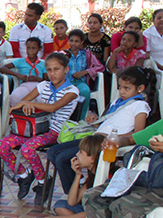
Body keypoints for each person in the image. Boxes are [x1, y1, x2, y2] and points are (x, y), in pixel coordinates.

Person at [47, 66, 150, 197]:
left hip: (104, 143)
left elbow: (138, 133)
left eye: (127, 88)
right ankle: (81, 184)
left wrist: (113, 137)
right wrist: (94, 120)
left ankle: (73, 195)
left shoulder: (140, 105)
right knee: (52, 152)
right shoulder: (117, 102)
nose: (122, 91)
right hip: (95, 137)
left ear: (140, 89)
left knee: (62, 158)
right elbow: (106, 122)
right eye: (120, 87)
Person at [0, 52, 79, 200]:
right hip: (32, 129)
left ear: (66, 69)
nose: (52, 73)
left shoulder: (72, 91)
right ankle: (24, 176)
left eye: (57, 69)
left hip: (53, 132)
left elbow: (53, 107)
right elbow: (21, 103)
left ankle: (43, 181)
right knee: (1, 145)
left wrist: (30, 104)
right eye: (49, 69)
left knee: (27, 149)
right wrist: (25, 105)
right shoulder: (43, 85)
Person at [38, 134, 102, 218]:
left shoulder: (104, 178)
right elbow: (72, 202)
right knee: (60, 205)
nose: (77, 154)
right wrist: (77, 175)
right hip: (90, 215)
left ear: (93, 158)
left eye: (81, 152)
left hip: (99, 216)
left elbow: (93, 212)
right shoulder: (92, 175)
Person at [0, 37, 46, 107]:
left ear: (39, 49)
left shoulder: (43, 63)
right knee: (13, 98)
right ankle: (16, 117)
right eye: (28, 48)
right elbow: (2, 68)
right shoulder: (20, 61)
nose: (30, 51)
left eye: (34, 48)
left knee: (44, 100)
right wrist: (18, 75)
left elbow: (46, 80)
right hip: (24, 85)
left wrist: (38, 79)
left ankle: (40, 117)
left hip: (39, 86)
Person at [143, 8, 163, 75]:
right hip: (153, 64)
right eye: (159, 18)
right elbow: (147, 54)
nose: (162, 20)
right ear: (153, 20)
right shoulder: (147, 34)